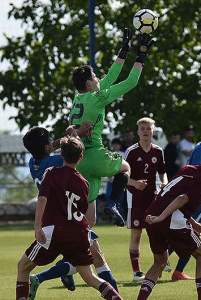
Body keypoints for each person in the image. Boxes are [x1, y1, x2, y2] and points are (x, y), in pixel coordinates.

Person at [16, 137, 123, 300]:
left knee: (23, 267)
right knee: (91, 278)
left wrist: (37, 227)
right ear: (80, 158)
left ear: (62, 156)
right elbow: (82, 210)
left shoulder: (51, 172)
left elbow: (42, 198)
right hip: (78, 233)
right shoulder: (83, 182)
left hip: (54, 232)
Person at [69, 29, 154, 227]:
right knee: (125, 167)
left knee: (89, 221)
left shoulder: (78, 98)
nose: (100, 79)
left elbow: (109, 79)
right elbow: (131, 81)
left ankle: (76, 254)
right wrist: (141, 55)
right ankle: (114, 203)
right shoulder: (98, 98)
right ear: (89, 83)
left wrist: (123, 52)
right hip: (96, 155)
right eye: (95, 77)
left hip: (79, 161)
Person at [136, 143, 201, 300]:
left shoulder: (187, 169)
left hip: (152, 214)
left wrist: (191, 222)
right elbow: (182, 199)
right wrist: (162, 218)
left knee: (159, 262)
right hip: (169, 219)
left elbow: (176, 195)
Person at [168, 120, 201, 281]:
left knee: (192, 235)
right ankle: (165, 262)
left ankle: (177, 270)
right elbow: (200, 174)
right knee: (192, 235)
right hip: (195, 200)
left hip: (196, 198)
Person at [124, 117, 167, 281]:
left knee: (157, 232)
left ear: (153, 132)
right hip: (135, 198)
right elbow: (121, 176)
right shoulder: (131, 152)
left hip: (152, 197)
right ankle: (136, 272)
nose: (145, 131)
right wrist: (134, 183)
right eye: (142, 129)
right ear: (137, 132)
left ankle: (161, 264)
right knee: (136, 234)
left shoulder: (158, 151)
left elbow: (163, 172)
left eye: (148, 129)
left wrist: (164, 183)